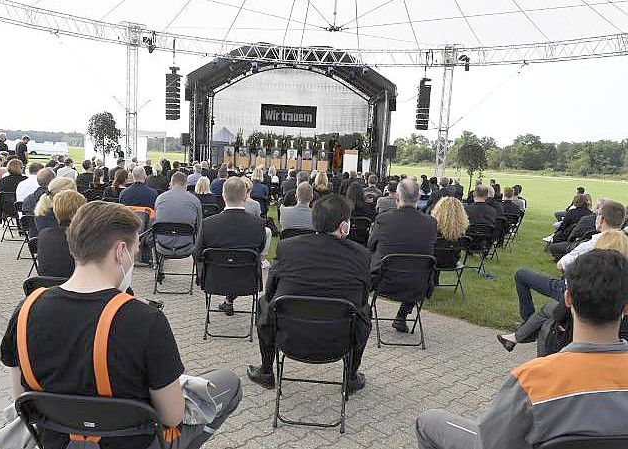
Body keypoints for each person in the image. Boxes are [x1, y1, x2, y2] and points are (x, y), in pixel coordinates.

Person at [0, 201, 242, 449]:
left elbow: (21, 399)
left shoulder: (26, 310)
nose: (132, 260)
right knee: (230, 384)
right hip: (133, 441)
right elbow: (172, 417)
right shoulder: (145, 319)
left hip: (55, 440)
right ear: (120, 250)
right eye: (135, 252)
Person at [417, 249, 628, 449]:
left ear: (567, 298)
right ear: (626, 307)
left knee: (428, 421)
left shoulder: (532, 380)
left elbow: (490, 443)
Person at [247, 194, 370, 393]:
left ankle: (267, 371)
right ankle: (351, 378)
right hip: (339, 339)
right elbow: (363, 298)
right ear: (343, 226)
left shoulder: (288, 247)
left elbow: (270, 291)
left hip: (290, 335)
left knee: (264, 304)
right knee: (365, 313)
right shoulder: (361, 255)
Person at [500, 229, 628, 356]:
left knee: (547, 324)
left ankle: (522, 336)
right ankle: (519, 336)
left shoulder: (587, 275)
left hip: (577, 333)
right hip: (612, 338)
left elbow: (560, 312)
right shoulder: (619, 279)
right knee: (548, 314)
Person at [514, 199, 625, 321]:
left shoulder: (590, 245)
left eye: (598, 215)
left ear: (602, 219)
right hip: (608, 297)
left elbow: (561, 265)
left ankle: (528, 319)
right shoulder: (624, 245)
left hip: (577, 291)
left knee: (521, 274)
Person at [368, 179, 437, 332]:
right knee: (415, 266)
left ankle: (365, 311)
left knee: (365, 262)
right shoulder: (431, 224)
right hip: (418, 285)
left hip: (384, 282)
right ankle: (402, 316)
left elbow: (370, 246)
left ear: (397, 197)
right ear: (418, 198)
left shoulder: (384, 219)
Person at [195, 177, 268, 316]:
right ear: (246, 196)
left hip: (214, 280)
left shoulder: (208, 224)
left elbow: (197, 253)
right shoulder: (258, 224)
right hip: (247, 280)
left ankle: (227, 302)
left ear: (223, 195)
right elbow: (260, 249)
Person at [153, 171, 202, 275]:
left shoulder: (160, 199)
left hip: (162, 245)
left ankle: (157, 267)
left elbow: (156, 222)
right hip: (186, 246)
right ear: (186, 184)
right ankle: (199, 274)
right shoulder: (195, 200)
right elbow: (199, 226)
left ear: (171, 183)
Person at [36, 190, 86, 278]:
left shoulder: (43, 234)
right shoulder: (82, 237)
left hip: (47, 285)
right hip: (76, 287)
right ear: (81, 210)